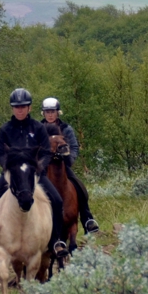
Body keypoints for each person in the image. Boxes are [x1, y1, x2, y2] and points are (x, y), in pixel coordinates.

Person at [0, 88, 68, 261]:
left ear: (29, 108)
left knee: (57, 200)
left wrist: (39, 168)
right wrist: (9, 169)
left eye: (23, 106)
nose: (19, 110)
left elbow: (45, 152)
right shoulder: (5, 129)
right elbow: (0, 153)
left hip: (35, 175)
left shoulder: (38, 128)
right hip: (12, 175)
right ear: (12, 108)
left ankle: (56, 241)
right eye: (16, 107)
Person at [41, 97, 99, 234]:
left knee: (79, 186)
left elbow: (73, 146)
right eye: (47, 111)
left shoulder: (66, 128)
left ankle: (87, 218)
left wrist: (69, 159)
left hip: (61, 167)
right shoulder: (38, 129)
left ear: (57, 112)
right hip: (43, 167)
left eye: (52, 111)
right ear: (43, 113)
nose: (50, 114)